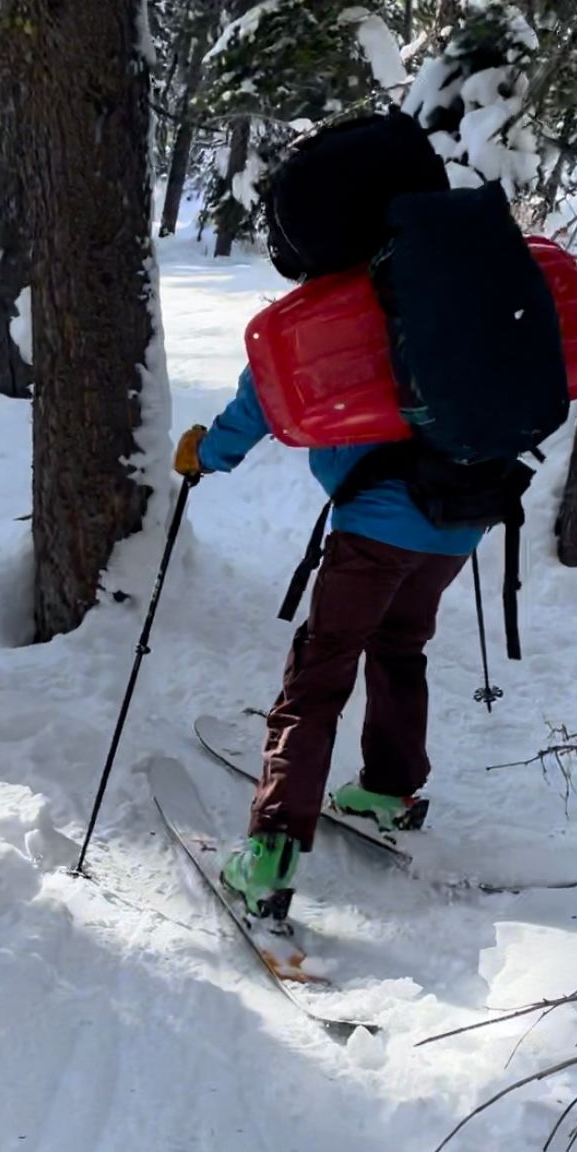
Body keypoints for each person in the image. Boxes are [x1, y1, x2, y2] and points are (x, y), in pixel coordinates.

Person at [172, 380, 482, 918]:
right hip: (463, 513)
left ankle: (268, 860)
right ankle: (387, 792)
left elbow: (265, 393)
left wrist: (206, 453)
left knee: (318, 672)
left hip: (377, 522)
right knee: (400, 647)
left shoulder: (335, 304)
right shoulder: (465, 304)